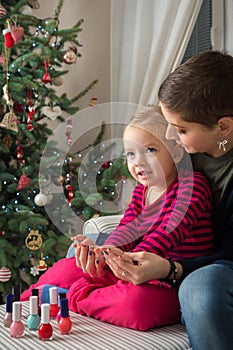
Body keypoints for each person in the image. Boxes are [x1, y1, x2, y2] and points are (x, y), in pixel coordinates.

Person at [21, 105, 214, 331]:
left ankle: (74, 297)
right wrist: (104, 252)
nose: (138, 161)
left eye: (150, 150)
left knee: (138, 305)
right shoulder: (143, 191)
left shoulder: (192, 186)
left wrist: (120, 262)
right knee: (68, 267)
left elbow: (166, 234)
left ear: (176, 151)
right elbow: (126, 229)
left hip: (170, 280)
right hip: (131, 268)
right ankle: (27, 301)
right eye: (131, 153)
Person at [104, 51, 233, 348]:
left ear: (223, 127)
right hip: (172, 257)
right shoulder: (187, 151)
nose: (170, 137)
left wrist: (170, 268)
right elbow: (144, 213)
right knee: (89, 249)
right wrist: (109, 250)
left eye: (181, 129)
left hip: (214, 267)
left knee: (201, 288)